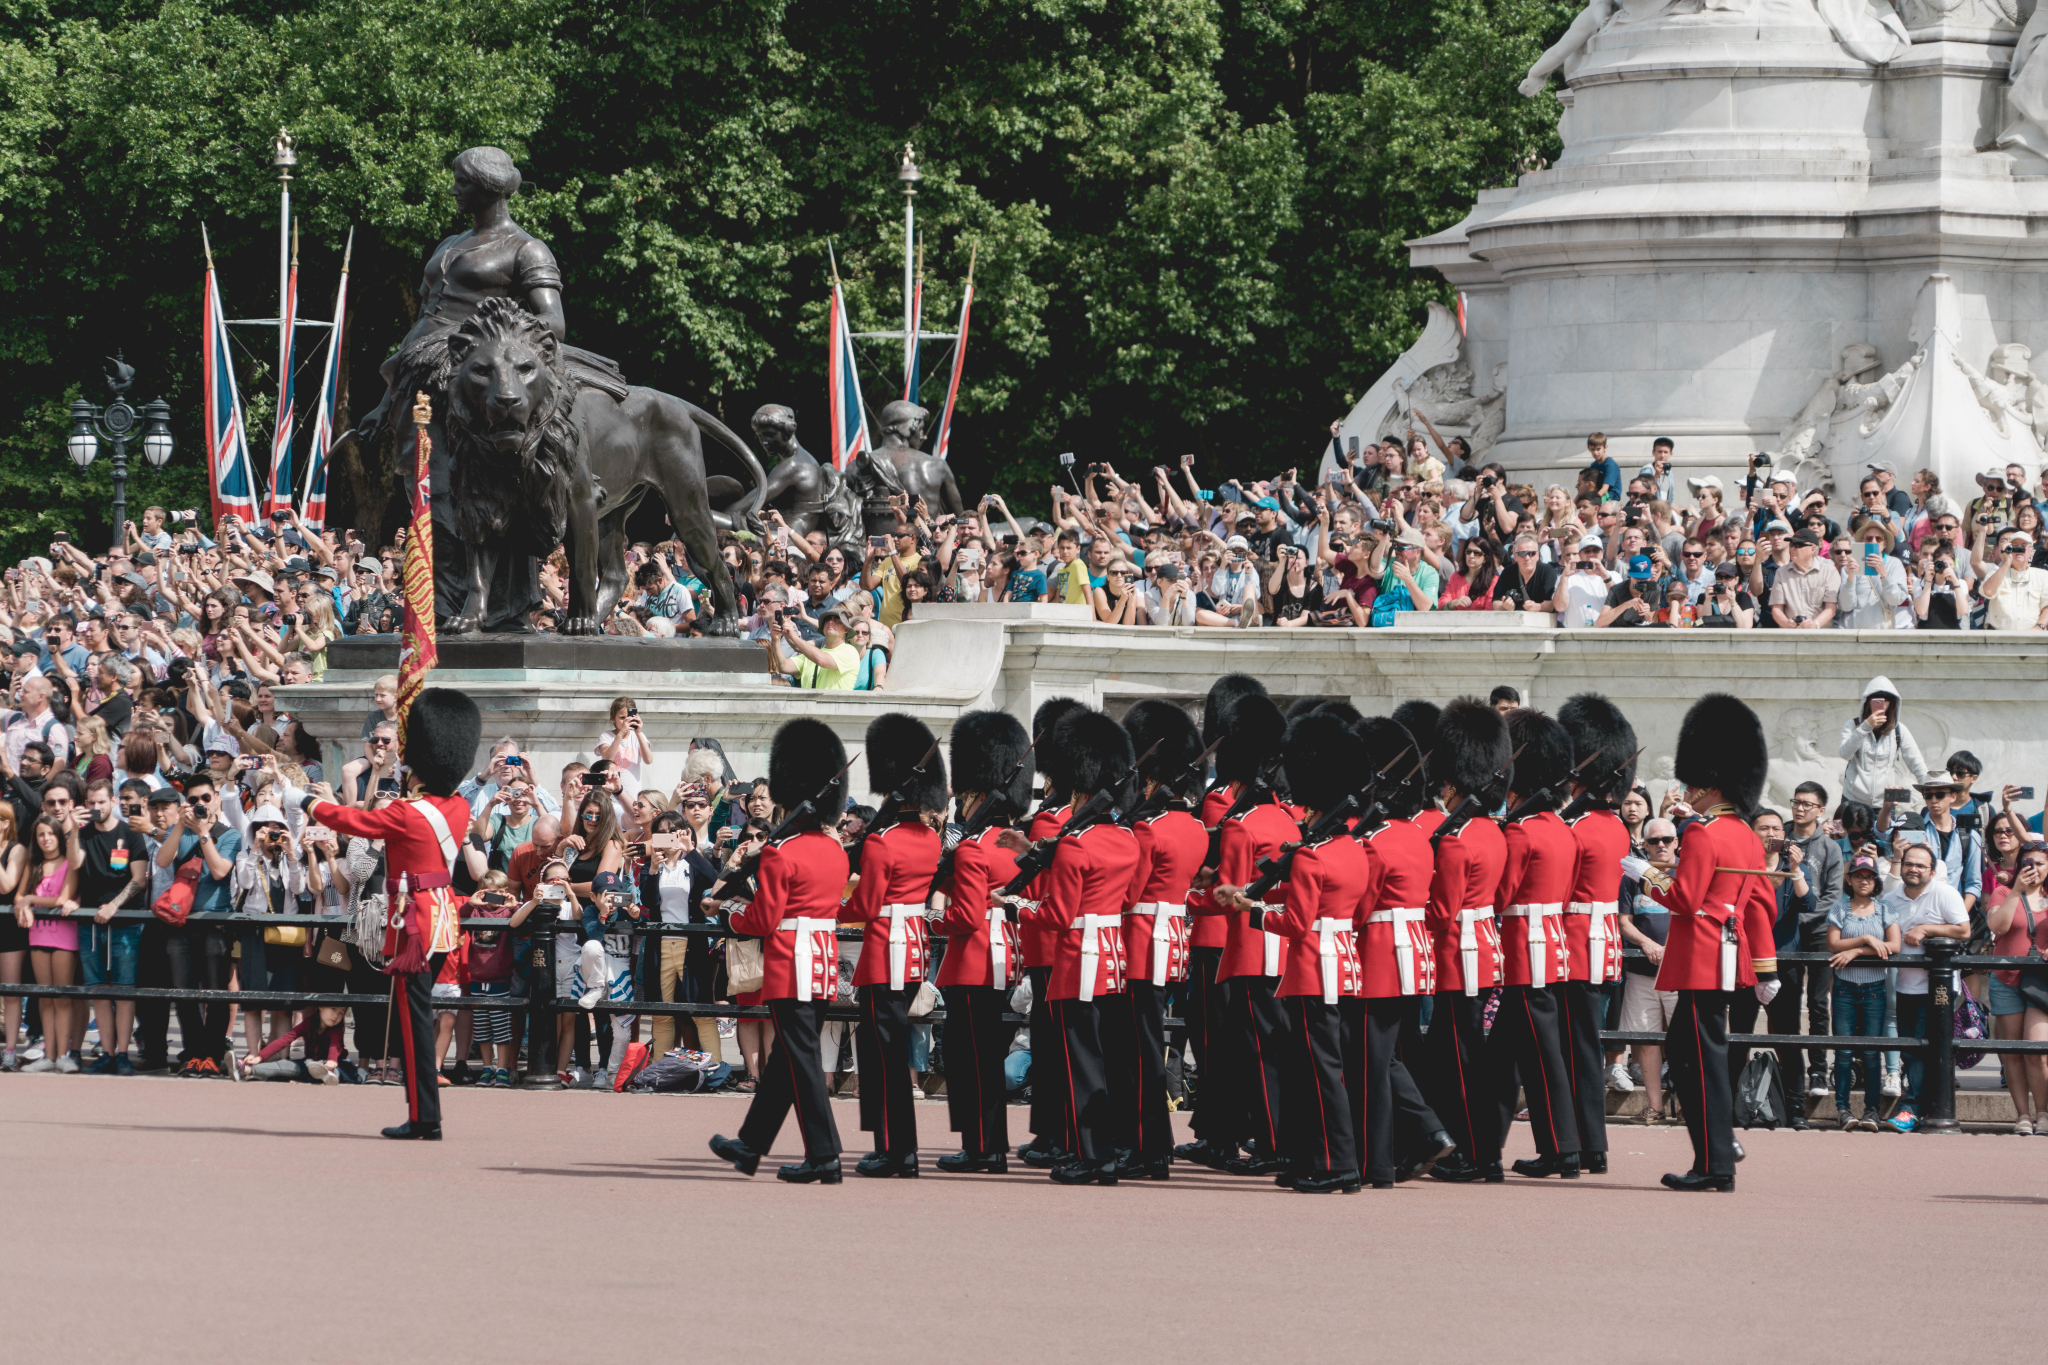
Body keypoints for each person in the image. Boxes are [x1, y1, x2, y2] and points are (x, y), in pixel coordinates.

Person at [282, 688, 483, 1140]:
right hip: (441, 919)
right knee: (417, 1017)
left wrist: (303, 801)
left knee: (412, 1023)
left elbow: (356, 823)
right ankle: (424, 1113)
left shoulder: (408, 813)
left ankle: (424, 1117)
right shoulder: (457, 806)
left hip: (413, 922)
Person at [1643, 693, 1778, 1192]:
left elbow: (1683, 897)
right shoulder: (1743, 832)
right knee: (1691, 1052)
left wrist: (1649, 877)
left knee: (1700, 1061)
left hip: (1700, 953)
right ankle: (1717, 1149)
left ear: (1706, 783)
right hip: (1726, 953)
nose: (1687, 793)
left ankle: (1716, 1161)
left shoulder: (1702, 832)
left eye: (1691, 784)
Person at [709, 719, 852, 1183]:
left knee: (802, 1059)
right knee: (791, 1060)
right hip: (823, 960)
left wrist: (726, 914)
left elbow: (764, 920)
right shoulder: (835, 851)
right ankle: (750, 1146)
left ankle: (825, 1155)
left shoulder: (779, 853)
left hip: (791, 961)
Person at [1010, 708, 1143, 1185]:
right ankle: (1100, 1150)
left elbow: (1055, 916)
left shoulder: (1075, 844)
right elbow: (1127, 899)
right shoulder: (1126, 839)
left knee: (1080, 1062)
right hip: (1112, 957)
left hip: (1077, 960)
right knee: (1102, 1060)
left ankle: (1095, 1157)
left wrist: (1013, 906)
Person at [1256, 713, 1370, 1192]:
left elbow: (1295, 923)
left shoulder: (1310, 854)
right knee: (1318, 1068)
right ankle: (1311, 1157)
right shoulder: (1351, 849)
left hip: (1311, 970)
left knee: (1319, 1071)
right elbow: (1330, 901)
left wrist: (1251, 910)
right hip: (1343, 964)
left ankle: (1337, 1164)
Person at [839, 714, 946, 1178]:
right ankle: (899, 1147)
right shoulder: (930, 839)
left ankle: (895, 1149)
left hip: (884, 948)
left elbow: (866, 901)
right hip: (914, 946)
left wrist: (831, 908)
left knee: (882, 1055)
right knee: (897, 1048)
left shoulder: (882, 841)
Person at [1196, 694, 1294, 1178]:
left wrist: (1184, 897)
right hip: (1285, 945)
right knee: (1275, 1049)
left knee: (1258, 1053)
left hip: (1251, 948)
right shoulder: (1289, 819)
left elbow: (1228, 897)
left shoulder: (1241, 825)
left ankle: (1273, 1145)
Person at [1110, 701, 1207, 1180]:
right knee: (1151, 1044)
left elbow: (1129, 894)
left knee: (1137, 1049)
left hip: (1141, 944)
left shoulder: (1148, 829)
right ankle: (1156, 1145)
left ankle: (1146, 1144)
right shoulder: (1194, 828)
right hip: (1172, 942)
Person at [932, 710, 1032, 1173]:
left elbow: (966, 917)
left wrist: (933, 918)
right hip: (1006, 960)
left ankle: (981, 1148)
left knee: (968, 1061)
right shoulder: (1014, 844)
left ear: (974, 794)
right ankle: (992, 1145)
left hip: (973, 962)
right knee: (989, 1058)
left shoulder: (972, 848)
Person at [1419, 700, 1512, 1182]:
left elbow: (1442, 911)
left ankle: (1478, 1156)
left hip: (1459, 957)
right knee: (1465, 1059)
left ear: (1452, 785)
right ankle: (1477, 1150)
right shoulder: (1493, 832)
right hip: (1485, 951)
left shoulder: (1455, 840)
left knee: (1461, 1064)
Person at [1556, 693, 1637, 1170]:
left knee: (1574, 1053)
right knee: (1586, 1050)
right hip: (1602, 944)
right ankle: (1592, 1147)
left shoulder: (1578, 828)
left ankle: (1580, 1146)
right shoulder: (1613, 827)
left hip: (1573, 946)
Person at [1727, 809, 1817, 1129]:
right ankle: (1733, 1108)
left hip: (1785, 964)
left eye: (1777, 828)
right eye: (1763, 827)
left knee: (1788, 1039)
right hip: (1745, 965)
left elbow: (1810, 905)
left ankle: (1796, 1109)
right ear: (1751, 833)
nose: (1770, 832)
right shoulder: (1739, 868)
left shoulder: (1791, 870)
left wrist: (1796, 870)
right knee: (1738, 1035)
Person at [154, 771, 241, 1078]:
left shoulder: (230, 835)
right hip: (181, 924)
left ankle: (213, 1055)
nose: (201, 804)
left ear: (217, 798)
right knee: (184, 993)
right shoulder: (181, 830)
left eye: (206, 797)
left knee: (215, 994)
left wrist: (204, 833)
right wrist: (181, 823)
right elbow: (163, 860)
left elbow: (219, 871)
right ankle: (193, 1054)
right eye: (194, 800)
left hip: (215, 923)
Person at [1880, 841, 1970, 1132]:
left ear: (1932, 871)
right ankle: (1927, 1105)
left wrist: (1925, 929)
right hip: (1903, 985)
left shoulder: (1945, 894)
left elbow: (1963, 929)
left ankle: (1912, 1108)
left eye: (1921, 865)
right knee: (1911, 1048)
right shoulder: (1891, 899)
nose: (1914, 869)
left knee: (1919, 1048)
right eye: (1909, 864)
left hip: (1937, 991)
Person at [1826, 855, 1900, 1131]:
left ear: (1876, 880)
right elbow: (1833, 943)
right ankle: (1843, 1109)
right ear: (1850, 879)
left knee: (1871, 1053)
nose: (1864, 880)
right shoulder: (1839, 908)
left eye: (1869, 876)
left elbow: (1894, 945)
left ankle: (1872, 1110)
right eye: (1859, 875)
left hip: (1874, 989)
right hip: (1845, 987)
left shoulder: (1884, 909)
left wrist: (1857, 949)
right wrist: (1868, 938)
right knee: (1843, 1052)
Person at [1783, 781, 1842, 1100]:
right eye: (1796, 802)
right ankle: (1788, 1068)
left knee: (1819, 1004)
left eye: (1807, 804)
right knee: (1788, 1002)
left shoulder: (1829, 848)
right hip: (1787, 932)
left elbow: (1834, 896)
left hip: (1819, 933)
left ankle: (1818, 1069)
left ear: (1821, 810)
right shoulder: (1780, 838)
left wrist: (1805, 912)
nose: (1800, 807)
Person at [1985, 841, 2048, 1134]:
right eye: (2028, 862)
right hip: (2006, 978)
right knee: (2012, 1052)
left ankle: (2043, 1113)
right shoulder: (2002, 891)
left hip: (2041, 983)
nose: (2034, 869)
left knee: (2036, 1050)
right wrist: (2017, 892)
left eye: (2040, 863)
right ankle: (2022, 1115)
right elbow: (1998, 927)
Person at [16, 812, 81, 1072]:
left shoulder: (69, 864)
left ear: (59, 837)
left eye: (51, 833)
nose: (46, 839)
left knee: (62, 996)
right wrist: (23, 901)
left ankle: (64, 1054)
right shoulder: (33, 865)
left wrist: (30, 901)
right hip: (38, 935)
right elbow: (19, 894)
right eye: (41, 834)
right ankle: (49, 1055)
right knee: (45, 997)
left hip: (64, 936)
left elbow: (61, 898)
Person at [1837, 676, 1930, 808]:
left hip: (1884, 803)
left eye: (1886, 700)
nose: (1882, 704)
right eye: (1876, 700)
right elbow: (1845, 753)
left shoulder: (1898, 729)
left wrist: (1930, 792)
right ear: (1867, 701)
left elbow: (1916, 762)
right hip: (1853, 799)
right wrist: (1865, 726)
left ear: (1892, 703)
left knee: (1883, 830)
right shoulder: (1853, 725)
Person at [596, 696, 652, 797]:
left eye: (629, 718)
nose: (626, 721)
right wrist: (621, 734)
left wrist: (638, 732)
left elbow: (648, 760)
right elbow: (607, 759)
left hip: (633, 794)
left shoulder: (638, 736)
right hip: (611, 796)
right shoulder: (606, 736)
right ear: (613, 718)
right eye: (622, 718)